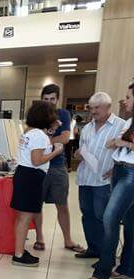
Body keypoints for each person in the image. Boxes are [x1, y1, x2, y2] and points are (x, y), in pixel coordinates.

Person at [90, 82, 134, 279]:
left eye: (129, 97)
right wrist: (117, 144)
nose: (125, 101)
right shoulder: (130, 121)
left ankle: (103, 269)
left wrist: (121, 143)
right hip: (119, 169)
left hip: (130, 174)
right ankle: (128, 268)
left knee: (110, 217)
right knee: (130, 221)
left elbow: (124, 143)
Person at [11, 101, 65, 266]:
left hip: (23, 174)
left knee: (21, 217)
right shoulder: (40, 136)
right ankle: (19, 254)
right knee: (25, 217)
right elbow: (37, 160)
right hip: (32, 177)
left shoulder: (30, 132)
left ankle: (18, 250)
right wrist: (56, 151)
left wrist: (51, 131)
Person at [74, 92, 126, 260]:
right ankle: (93, 248)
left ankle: (105, 255)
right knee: (87, 215)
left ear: (108, 107)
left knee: (102, 217)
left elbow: (127, 153)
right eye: (91, 108)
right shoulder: (87, 128)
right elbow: (81, 150)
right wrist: (78, 154)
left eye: (97, 108)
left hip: (104, 180)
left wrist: (117, 168)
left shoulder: (121, 126)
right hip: (85, 178)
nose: (93, 111)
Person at [33, 84, 84, 253]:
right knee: (36, 204)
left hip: (56, 166)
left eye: (52, 99)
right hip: (38, 166)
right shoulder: (36, 115)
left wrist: (44, 140)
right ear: (41, 99)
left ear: (58, 99)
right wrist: (50, 140)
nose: (49, 102)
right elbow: (29, 136)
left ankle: (68, 240)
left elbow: (65, 138)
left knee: (62, 204)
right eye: (45, 99)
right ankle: (39, 238)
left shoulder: (63, 114)